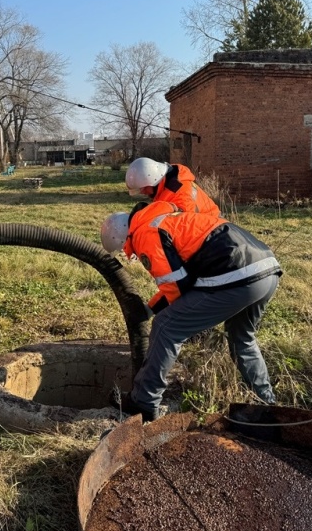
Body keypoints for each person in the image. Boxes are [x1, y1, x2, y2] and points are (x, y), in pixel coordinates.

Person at [100, 199, 282, 421]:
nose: (131, 255)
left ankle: (144, 401)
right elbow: (184, 278)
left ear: (121, 237)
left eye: (124, 249)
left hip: (236, 276)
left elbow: (178, 286)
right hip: (267, 271)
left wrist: (159, 314)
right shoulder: (167, 218)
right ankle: (266, 402)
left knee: (167, 326)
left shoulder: (144, 232)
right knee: (242, 338)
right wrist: (149, 309)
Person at [125, 157, 221, 217]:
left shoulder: (180, 193)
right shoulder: (165, 186)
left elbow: (184, 228)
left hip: (214, 232)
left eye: (144, 188)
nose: (143, 192)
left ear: (154, 179)